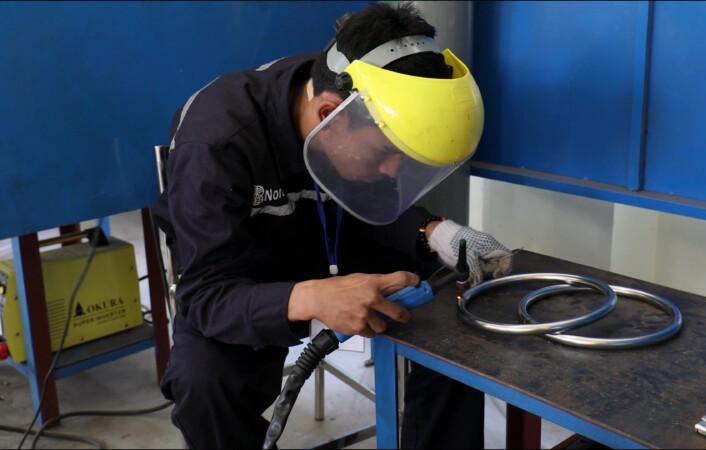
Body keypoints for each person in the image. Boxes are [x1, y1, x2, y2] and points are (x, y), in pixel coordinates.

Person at [151, 2, 513, 448]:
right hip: (243, 269)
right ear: (328, 116)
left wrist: (436, 232)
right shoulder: (214, 143)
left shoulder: (360, 97)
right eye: (385, 153)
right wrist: (311, 297)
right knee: (204, 385)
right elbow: (205, 295)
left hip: (337, 240)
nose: (393, 169)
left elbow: (375, 206)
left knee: (458, 310)